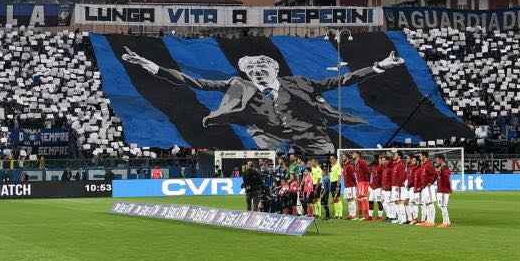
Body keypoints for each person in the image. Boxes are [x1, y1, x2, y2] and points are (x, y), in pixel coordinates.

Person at [121, 49, 405, 154]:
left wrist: (380, 66)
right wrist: (150, 65)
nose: (256, 72)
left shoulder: (302, 82)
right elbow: (191, 81)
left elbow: (343, 79)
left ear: (275, 69)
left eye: (262, 68)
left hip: (310, 133)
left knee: (324, 159)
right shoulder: (238, 85)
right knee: (271, 164)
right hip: (266, 134)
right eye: (251, 70)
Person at [419, 152, 438, 227]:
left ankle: (432, 221)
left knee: (430, 203)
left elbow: (436, 174)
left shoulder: (429, 165)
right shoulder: (424, 165)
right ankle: (428, 220)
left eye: (421, 156)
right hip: (424, 187)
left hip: (428, 187)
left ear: (424, 156)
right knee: (427, 204)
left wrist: (431, 182)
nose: (420, 157)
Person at [435, 154, 453, 227]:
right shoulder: (441, 169)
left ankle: (445, 222)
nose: (436, 161)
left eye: (437, 160)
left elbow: (446, 180)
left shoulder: (445, 169)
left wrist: (448, 189)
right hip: (441, 190)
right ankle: (447, 222)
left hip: (443, 191)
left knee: (442, 205)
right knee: (441, 205)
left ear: (441, 160)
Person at [390, 150, 407, 224]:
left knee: (400, 201)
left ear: (399, 156)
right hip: (394, 186)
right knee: (396, 202)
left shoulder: (401, 164)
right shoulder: (396, 164)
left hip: (399, 186)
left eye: (396, 155)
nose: (394, 156)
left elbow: (402, 176)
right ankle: (399, 218)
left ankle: (403, 218)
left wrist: (398, 184)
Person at [353, 151, 371, 221]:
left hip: (364, 182)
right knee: (358, 198)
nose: (353, 155)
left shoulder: (362, 162)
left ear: (357, 155)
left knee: (364, 197)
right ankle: (360, 216)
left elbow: (368, 172)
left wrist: (368, 182)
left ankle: (366, 216)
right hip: (359, 182)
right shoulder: (356, 163)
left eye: (354, 154)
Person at [342, 153, 358, 220]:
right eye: (342, 157)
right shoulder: (344, 165)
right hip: (346, 186)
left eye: (344, 157)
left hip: (351, 185)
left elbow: (353, 176)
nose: (342, 158)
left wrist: (355, 183)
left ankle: (353, 214)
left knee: (351, 199)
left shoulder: (350, 166)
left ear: (347, 158)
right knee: (348, 200)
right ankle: (350, 214)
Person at [380, 155, 394, 222]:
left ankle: (392, 217)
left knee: (389, 203)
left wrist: (390, 188)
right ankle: (388, 216)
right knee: (383, 203)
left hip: (389, 189)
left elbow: (392, 179)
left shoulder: (390, 169)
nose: (382, 161)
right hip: (384, 189)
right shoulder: (384, 168)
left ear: (387, 161)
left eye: (383, 160)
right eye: (382, 160)